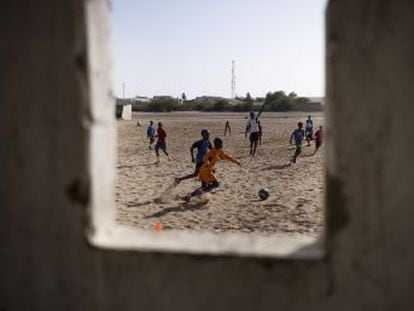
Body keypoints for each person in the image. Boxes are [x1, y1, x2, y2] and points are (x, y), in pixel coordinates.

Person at [183, 137, 240, 202]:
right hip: (205, 171)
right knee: (215, 184)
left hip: (206, 170)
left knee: (204, 187)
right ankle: (196, 194)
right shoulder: (212, 152)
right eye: (221, 143)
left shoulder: (219, 151)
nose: (222, 145)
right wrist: (207, 164)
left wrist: (236, 161)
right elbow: (205, 158)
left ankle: (190, 196)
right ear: (217, 144)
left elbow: (227, 156)